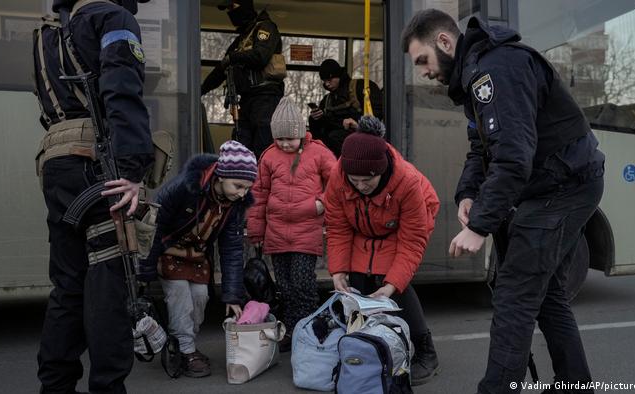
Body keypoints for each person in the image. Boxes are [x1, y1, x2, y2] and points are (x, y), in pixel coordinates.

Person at [402, 9, 605, 394]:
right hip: (553, 184)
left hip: (563, 186)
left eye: (422, 60)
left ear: (445, 42)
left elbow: (513, 158)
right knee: (545, 296)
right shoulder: (478, 74)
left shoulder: (494, 72)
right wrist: (468, 195)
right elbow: (482, 149)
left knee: (514, 295)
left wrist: (480, 226)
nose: (423, 72)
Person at [33, 0, 154, 392]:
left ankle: (54, 385)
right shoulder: (114, 19)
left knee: (68, 287)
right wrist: (133, 170)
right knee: (109, 286)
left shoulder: (47, 37)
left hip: (56, 165)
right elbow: (122, 89)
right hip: (98, 163)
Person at [324, 116, 441, 386]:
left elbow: (412, 239)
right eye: (355, 180)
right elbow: (338, 226)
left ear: (381, 170)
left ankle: (425, 350)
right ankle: (371, 349)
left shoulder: (407, 181)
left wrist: (391, 285)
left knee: (394, 285)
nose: (361, 186)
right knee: (357, 284)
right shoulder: (338, 177)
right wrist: (338, 269)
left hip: (402, 230)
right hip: (362, 230)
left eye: (368, 180)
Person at [139, 141, 256, 378]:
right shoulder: (183, 187)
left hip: (197, 256)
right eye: (239, 186)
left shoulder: (235, 204)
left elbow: (232, 248)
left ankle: (183, 343)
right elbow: (156, 225)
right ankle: (187, 349)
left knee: (200, 298)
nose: (243, 193)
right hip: (169, 251)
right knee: (180, 294)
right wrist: (146, 270)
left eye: (247, 188)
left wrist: (232, 294)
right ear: (222, 176)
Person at [247, 97, 337, 352]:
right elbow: (259, 194)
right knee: (284, 286)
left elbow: (337, 183)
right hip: (276, 233)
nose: (285, 144)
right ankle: (292, 326)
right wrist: (256, 229)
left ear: (301, 133)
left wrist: (321, 203)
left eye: (290, 138)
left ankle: (306, 329)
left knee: (303, 284)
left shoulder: (319, 153)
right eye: (280, 139)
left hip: (306, 231)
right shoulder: (268, 157)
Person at [201, 0, 285, 158]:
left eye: (233, 7)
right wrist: (200, 90)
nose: (230, 13)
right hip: (247, 101)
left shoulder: (265, 28)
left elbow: (261, 56)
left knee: (263, 149)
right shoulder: (243, 38)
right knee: (240, 148)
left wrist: (233, 57)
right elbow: (221, 70)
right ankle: (243, 183)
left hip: (265, 99)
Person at [308, 59, 384, 157]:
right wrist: (316, 118)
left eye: (329, 80)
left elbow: (378, 112)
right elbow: (321, 129)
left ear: (338, 75)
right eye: (324, 81)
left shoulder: (361, 87)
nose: (327, 84)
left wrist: (359, 124)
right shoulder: (327, 100)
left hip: (359, 145)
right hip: (332, 149)